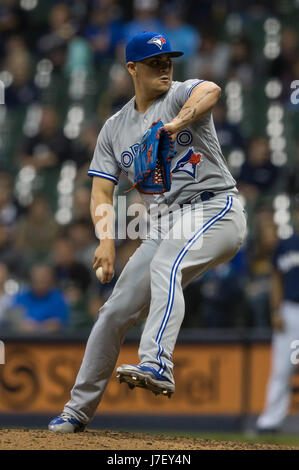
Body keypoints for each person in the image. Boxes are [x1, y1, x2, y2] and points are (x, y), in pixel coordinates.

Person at [48, 31, 247, 433]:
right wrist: (106, 240)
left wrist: (176, 124)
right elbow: (102, 188)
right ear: (132, 69)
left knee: (167, 263)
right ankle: (75, 412)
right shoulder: (115, 128)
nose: (165, 66)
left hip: (215, 207)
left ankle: (157, 361)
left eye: (168, 60)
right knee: (114, 312)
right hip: (165, 224)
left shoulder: (177, 96)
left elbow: (211, 89)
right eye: (155, 62)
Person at [256, 205, 299, 433]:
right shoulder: (287, 244)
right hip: (291, 311)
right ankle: (270, 421)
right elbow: (276, 278)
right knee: (282, 368)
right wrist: (276, 310)